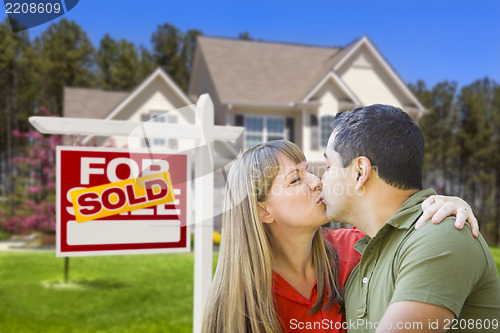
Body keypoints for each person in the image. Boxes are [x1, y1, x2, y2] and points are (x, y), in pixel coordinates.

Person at [202, 139, 478, 333]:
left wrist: (447, 204)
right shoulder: (242, 301)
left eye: (309, 171)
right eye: (296, 180)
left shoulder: (356, 248)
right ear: (263, 211)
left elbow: (406, 229)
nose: (316, 182)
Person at [321, 104, 500, 333]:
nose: (321, 180)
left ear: (360, 172)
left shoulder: (439, 235)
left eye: (328, 166)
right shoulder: (361, 266)